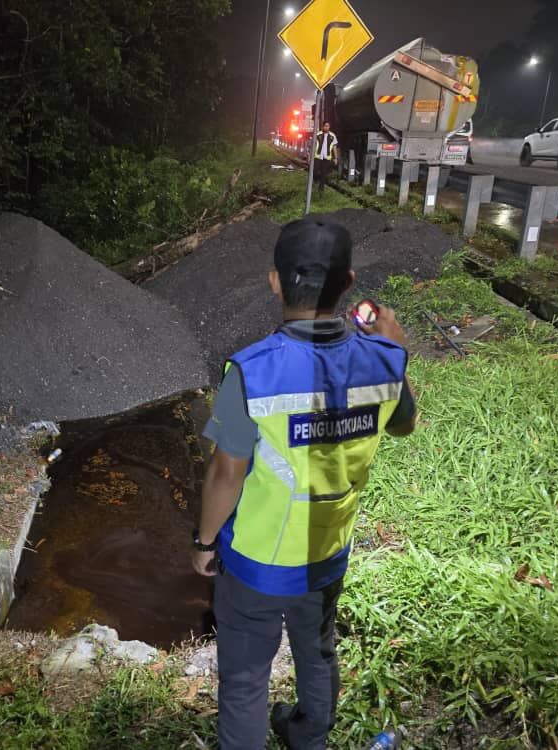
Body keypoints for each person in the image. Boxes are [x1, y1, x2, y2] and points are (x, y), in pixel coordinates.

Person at [191, 216, 417, 750]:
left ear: (275, 281)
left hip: (255, 564)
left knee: (246, 678)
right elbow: (404, 423)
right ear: (349, 283)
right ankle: (308, 733)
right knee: (318, 649)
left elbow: (227, 472)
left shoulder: (251, 372)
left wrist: (203, 544)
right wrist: (396, 352)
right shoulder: (383, 361)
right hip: (327, 550)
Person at [313, 122, 339, 192]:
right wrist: (310, 155)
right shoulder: (318, 134)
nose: (326, 127)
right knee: (315, 171)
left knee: (324, 173)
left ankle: (321, 189)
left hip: (327, 157)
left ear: (329, 127)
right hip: (317, 156)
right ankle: (315, 180)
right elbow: (314, 145)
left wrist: (336, 158)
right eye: (325, 126)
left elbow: (334, 147)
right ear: (322, 127)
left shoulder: (332, 136)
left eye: (327, 126)